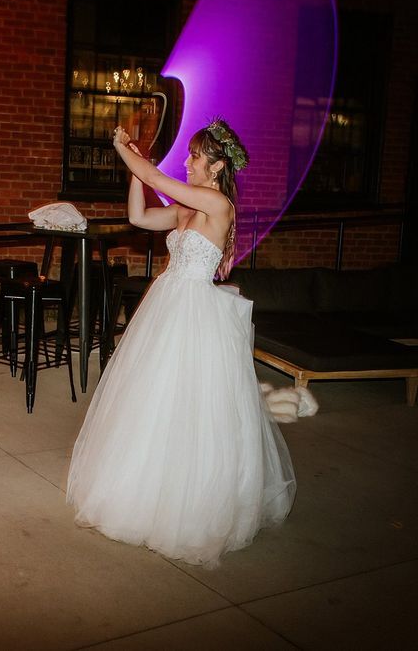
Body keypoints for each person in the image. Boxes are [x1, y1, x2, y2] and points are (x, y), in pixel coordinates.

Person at [65, 119, 295, 567]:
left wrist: (123, 147)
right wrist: (136, 169)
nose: (187, 162)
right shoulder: (187, 208)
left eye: (194, 156)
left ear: (217, 166)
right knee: (152, 401)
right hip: (168, 304)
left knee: (193, 406)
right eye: (189, 155)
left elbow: (156, 177)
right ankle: (142, 489)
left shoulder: (216, 202)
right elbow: (139, 216)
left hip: (193, 314)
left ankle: (188, 505)